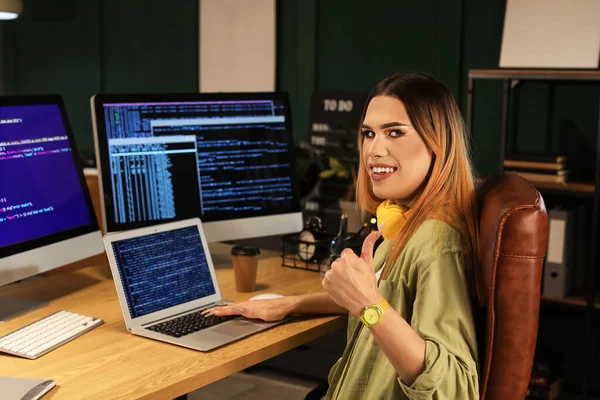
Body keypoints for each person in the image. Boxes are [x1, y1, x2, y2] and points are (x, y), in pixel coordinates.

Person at [204, 73, 481, 399]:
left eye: (395, 132)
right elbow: (385, 296)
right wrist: (289, 304)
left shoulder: (437, 243)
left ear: (439, 142)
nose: (374, 150)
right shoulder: (403, 222)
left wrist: (369, 305)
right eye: (368, 134)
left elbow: (455, 389)